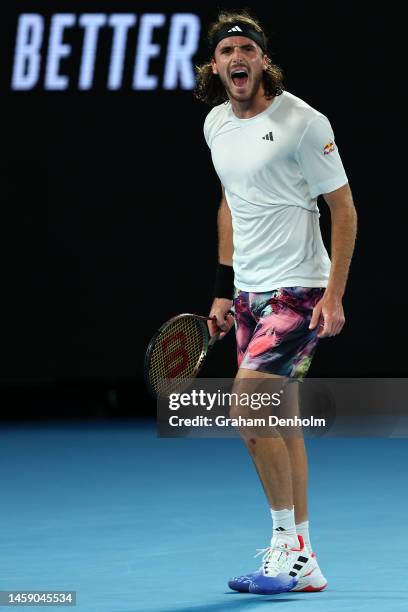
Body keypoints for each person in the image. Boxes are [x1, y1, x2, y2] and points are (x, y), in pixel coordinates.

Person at [195, 10, 357, 595]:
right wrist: (221, 288)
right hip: (248, 292)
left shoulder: (303, 121)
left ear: (263, 60)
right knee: (278, 420)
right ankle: (304, 560)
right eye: (225, 50)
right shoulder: (216, 124)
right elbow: (230, 203)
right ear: (213, 66)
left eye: (246, 49)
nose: (236, 58)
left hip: (301, 285)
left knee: (247, 407)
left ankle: (286, 546)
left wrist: (334, 292)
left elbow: (343, 208)